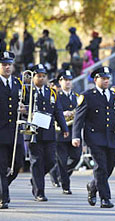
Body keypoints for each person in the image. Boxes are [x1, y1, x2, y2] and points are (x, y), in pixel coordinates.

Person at [72, 66, 115, 208]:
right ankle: (105, 198)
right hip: (94, 137)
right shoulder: (87, 96)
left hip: (111, 136)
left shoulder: (113, 95)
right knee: (100, 167)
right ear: (95, 79)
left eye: (108, 78)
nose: (106, 81)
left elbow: (113, 115)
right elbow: (79, 118)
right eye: (103, 78)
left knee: (110, 165)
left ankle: (93, 186)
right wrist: (76, 136)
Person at [28, 64, 69, 202]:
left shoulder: (52, 92)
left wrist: (65, 128)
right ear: (33, 76)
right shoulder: (27, 91)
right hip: (34, 132)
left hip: (49, 131)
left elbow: (58, 112)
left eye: (43, 76)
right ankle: (39, 192)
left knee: (51, 161)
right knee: (37, 161)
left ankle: (36, 178)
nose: (41, 78)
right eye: (38, 76)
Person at [0, 51, 26, 209]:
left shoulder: (18, 83)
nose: (7, 67)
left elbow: (26, 103)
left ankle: (3, 188)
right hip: (0, 132)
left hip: (15, 131)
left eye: (9, 64)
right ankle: (4, 198)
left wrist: (23, 108)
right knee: (1, 166)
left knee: (18, 163)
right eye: (3, 64)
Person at [55, 70, 82, 194]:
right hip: (60, 132)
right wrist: (63, 113)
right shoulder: (57, 96)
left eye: (70, 80)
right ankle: (66, 186)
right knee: (62, 160)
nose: (68, 82)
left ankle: (63, 175)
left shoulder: (77, 97)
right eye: (65, 80)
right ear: (60, 82)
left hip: (73, 132)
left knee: (76, 157)